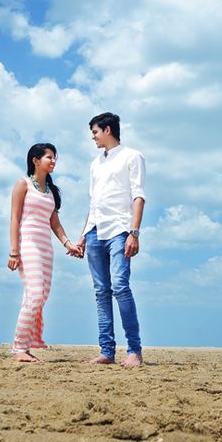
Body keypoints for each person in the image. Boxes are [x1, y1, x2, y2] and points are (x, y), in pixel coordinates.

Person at [75, 113, 146, 368]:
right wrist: (83, 235)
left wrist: (134, 233)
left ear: (107, 130)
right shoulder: (95, 164)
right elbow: (93, 203)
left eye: (94, 132)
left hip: (120, 230)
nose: (93, 137)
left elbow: (138, 196)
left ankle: (134, 350)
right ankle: (107, 351)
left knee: (119, 286)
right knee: (101, 292)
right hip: (95, 231)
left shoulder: (132, 156)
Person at [7, 143, 81, 363]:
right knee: (36, 294)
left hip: (46, 249)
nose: (53, 161)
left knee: (38, 297)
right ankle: (19, 347)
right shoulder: (23, 184)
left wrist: (68, 244)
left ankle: (27, 344)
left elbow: (55, 224)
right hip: (27, 245)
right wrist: (13, 252)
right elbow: (14, 218)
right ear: (35, 160)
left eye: (55, 157)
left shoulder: (51, 191)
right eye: (49, 157)